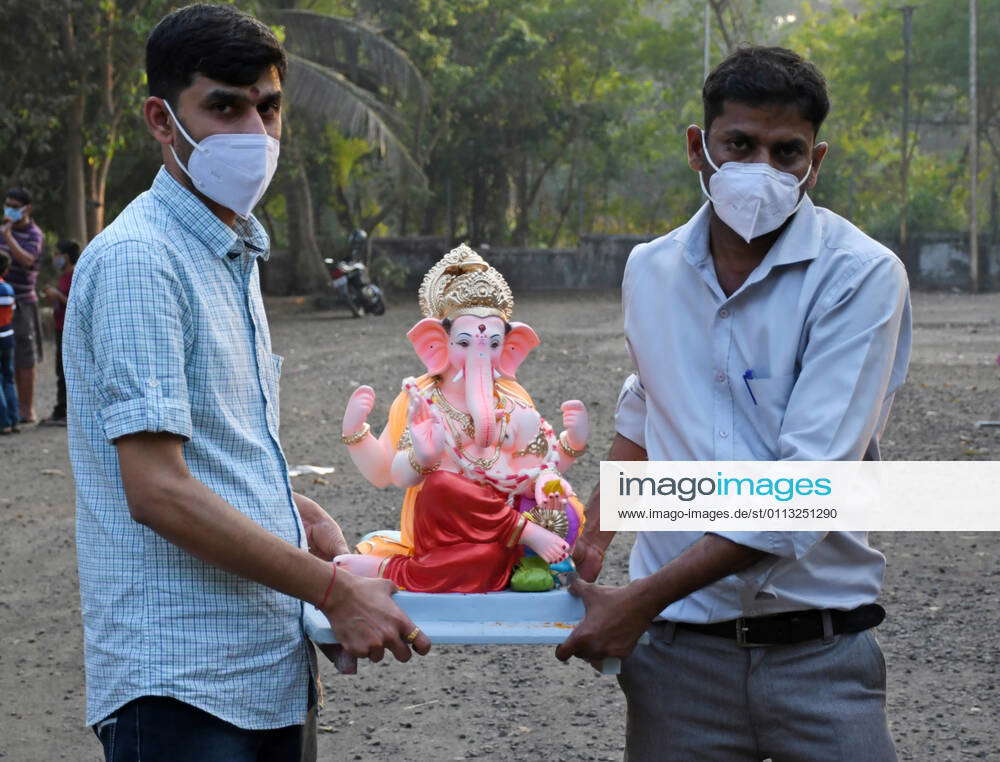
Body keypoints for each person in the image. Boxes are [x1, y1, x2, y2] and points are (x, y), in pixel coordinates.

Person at [63, 6, 430, 762]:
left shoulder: (226, 249)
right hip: (183, 686)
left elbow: (205, 450)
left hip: (257, 670)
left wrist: (291, 515)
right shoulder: (143, 260)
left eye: (267, 107)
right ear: (162, 121)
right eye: (223, 107)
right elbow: (157, 489)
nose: (254, 133)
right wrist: (331, 591)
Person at [558, 46, 911, 761]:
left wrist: (640, 599)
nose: (762, 170)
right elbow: (647, 405)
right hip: (678, 662)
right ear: (699, 147)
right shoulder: (651, 270)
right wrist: (592, 536)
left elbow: (801, 491)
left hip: (820, 653)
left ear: (815, 162)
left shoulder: (861, 277)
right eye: (740, 145)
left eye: (787, 152)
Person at [1, 187, 44, 424]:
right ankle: (10, 408)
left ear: (26, 209)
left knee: (24, 358)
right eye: (7, 204)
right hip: (2, 301)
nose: (9, 210)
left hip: (24, 302)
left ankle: (27, 409)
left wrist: (8, 237)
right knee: (5, 355)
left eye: (14, 206)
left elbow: (28, 260)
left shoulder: (34, 234)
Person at [40, 239, 80, 426]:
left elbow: (75, 303)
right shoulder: (62, 276)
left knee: (66, 370)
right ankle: (60, 408)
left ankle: (66, 411)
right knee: (59, 369)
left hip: (68, 329)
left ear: (66, 256)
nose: (55, 257)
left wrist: (58, 296)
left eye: (58, 254)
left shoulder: (75, 275)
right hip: (58, 327)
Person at [0, 252, 18, 434]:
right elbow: (12, 310)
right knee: (9, 378)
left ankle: (3, 422)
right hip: (8, 336)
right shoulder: (8, 289)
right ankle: (14, 419)